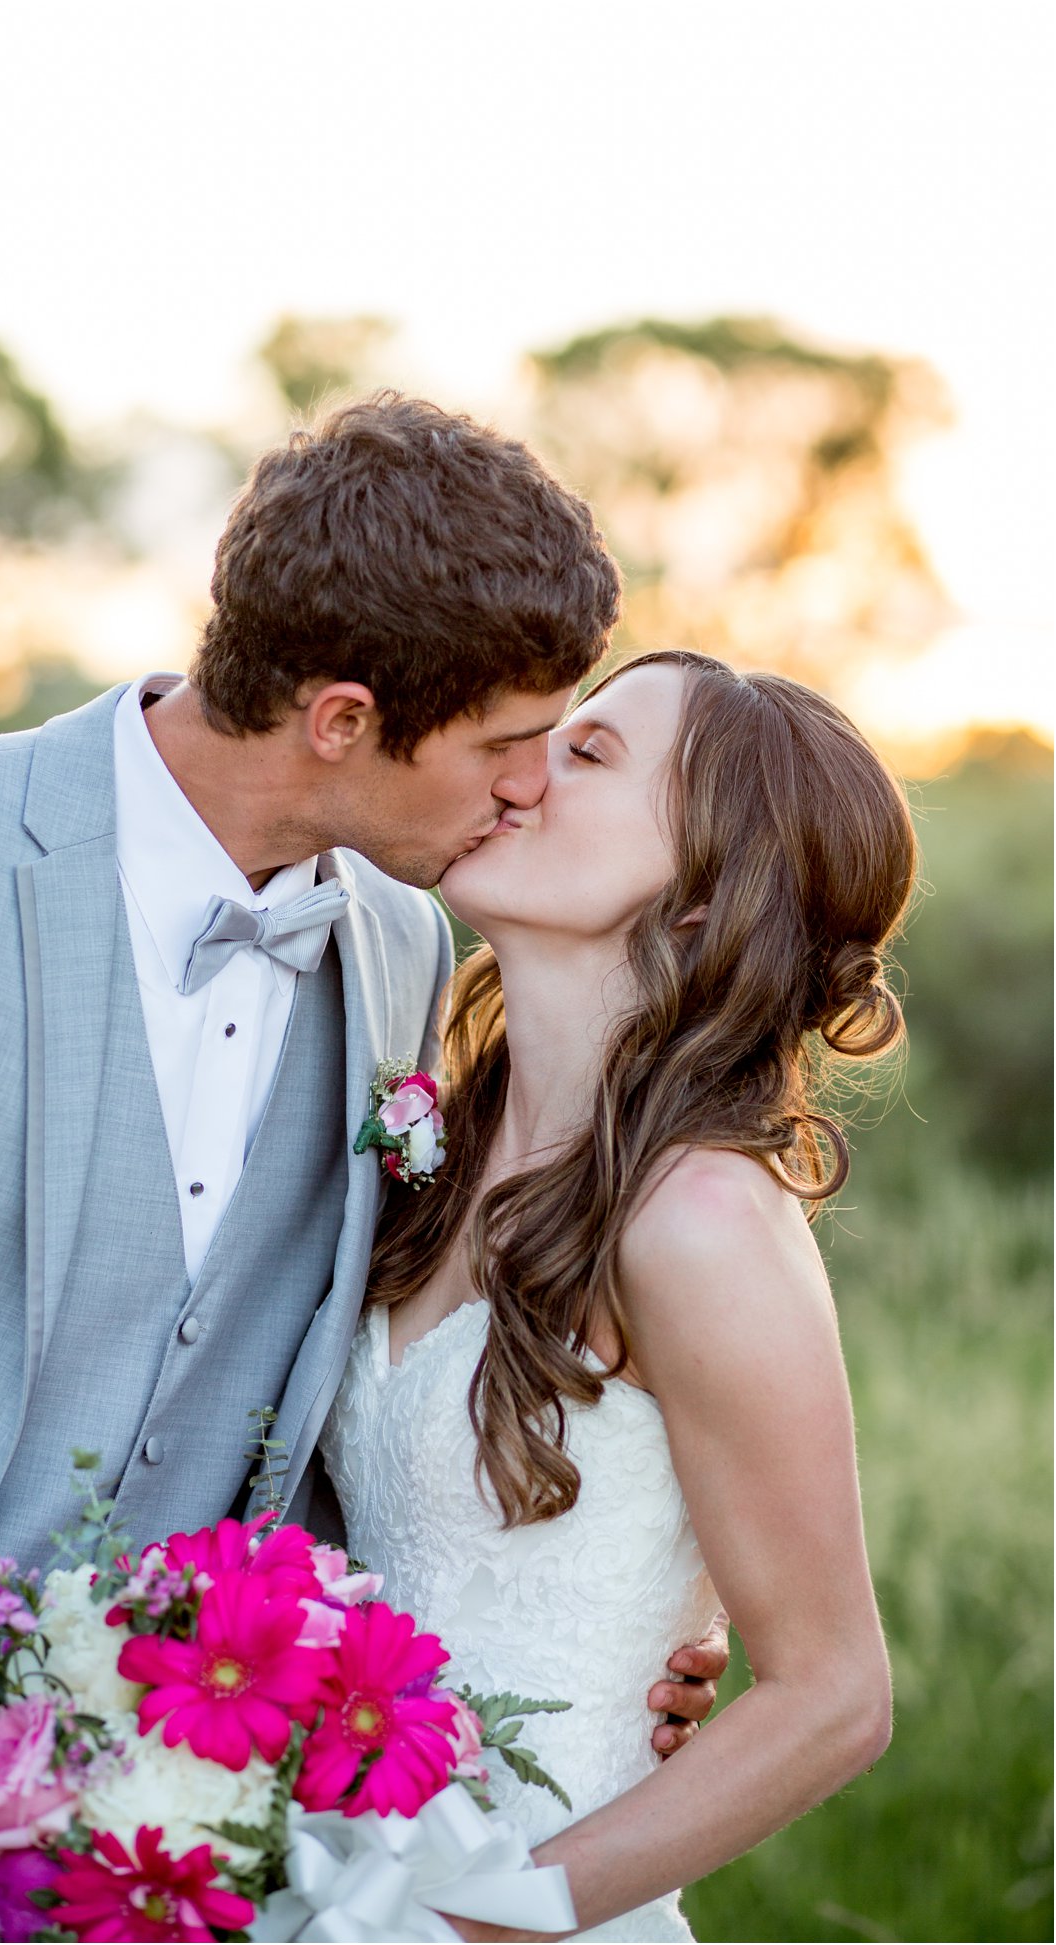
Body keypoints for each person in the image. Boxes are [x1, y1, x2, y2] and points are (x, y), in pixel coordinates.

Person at [0, 396, 727, 1945]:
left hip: (137, 1876)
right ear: (342, 718)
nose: (531, 784)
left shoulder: (401, 946)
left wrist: (649, 1621)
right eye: (501, 743)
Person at [321, 649, 913, 1940]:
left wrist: (480, 1920)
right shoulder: (431, 1136)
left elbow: (832, 1695)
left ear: (702, 894)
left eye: (585, 755)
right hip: (315, 1871)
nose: (520, 772)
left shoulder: (697, 1219)